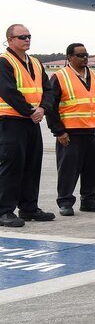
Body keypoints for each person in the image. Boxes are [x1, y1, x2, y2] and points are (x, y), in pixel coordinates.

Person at [45, 43, 95, 216]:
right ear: (70, 57)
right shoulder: (60, 77)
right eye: (80, 55)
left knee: (92, 168)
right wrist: (58, 131)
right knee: (68, 169)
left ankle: (89, 200)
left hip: (93, 131)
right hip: (71, 133)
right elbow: (51, 107)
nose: (85, 58)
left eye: (86, 55)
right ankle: (65, 202)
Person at [0, 24, 56, 227]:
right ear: (10, 40)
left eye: (29, 36)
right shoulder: (4, 61)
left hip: (32, 121)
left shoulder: (35, 62)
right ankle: (4, 211)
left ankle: (29, 207)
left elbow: (47, 89)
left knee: (33, 164)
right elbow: (8, 91)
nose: (27, 40)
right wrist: (30, 111)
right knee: (11, 166)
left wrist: (43, 109)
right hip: (11, 120)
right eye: (22, 36)